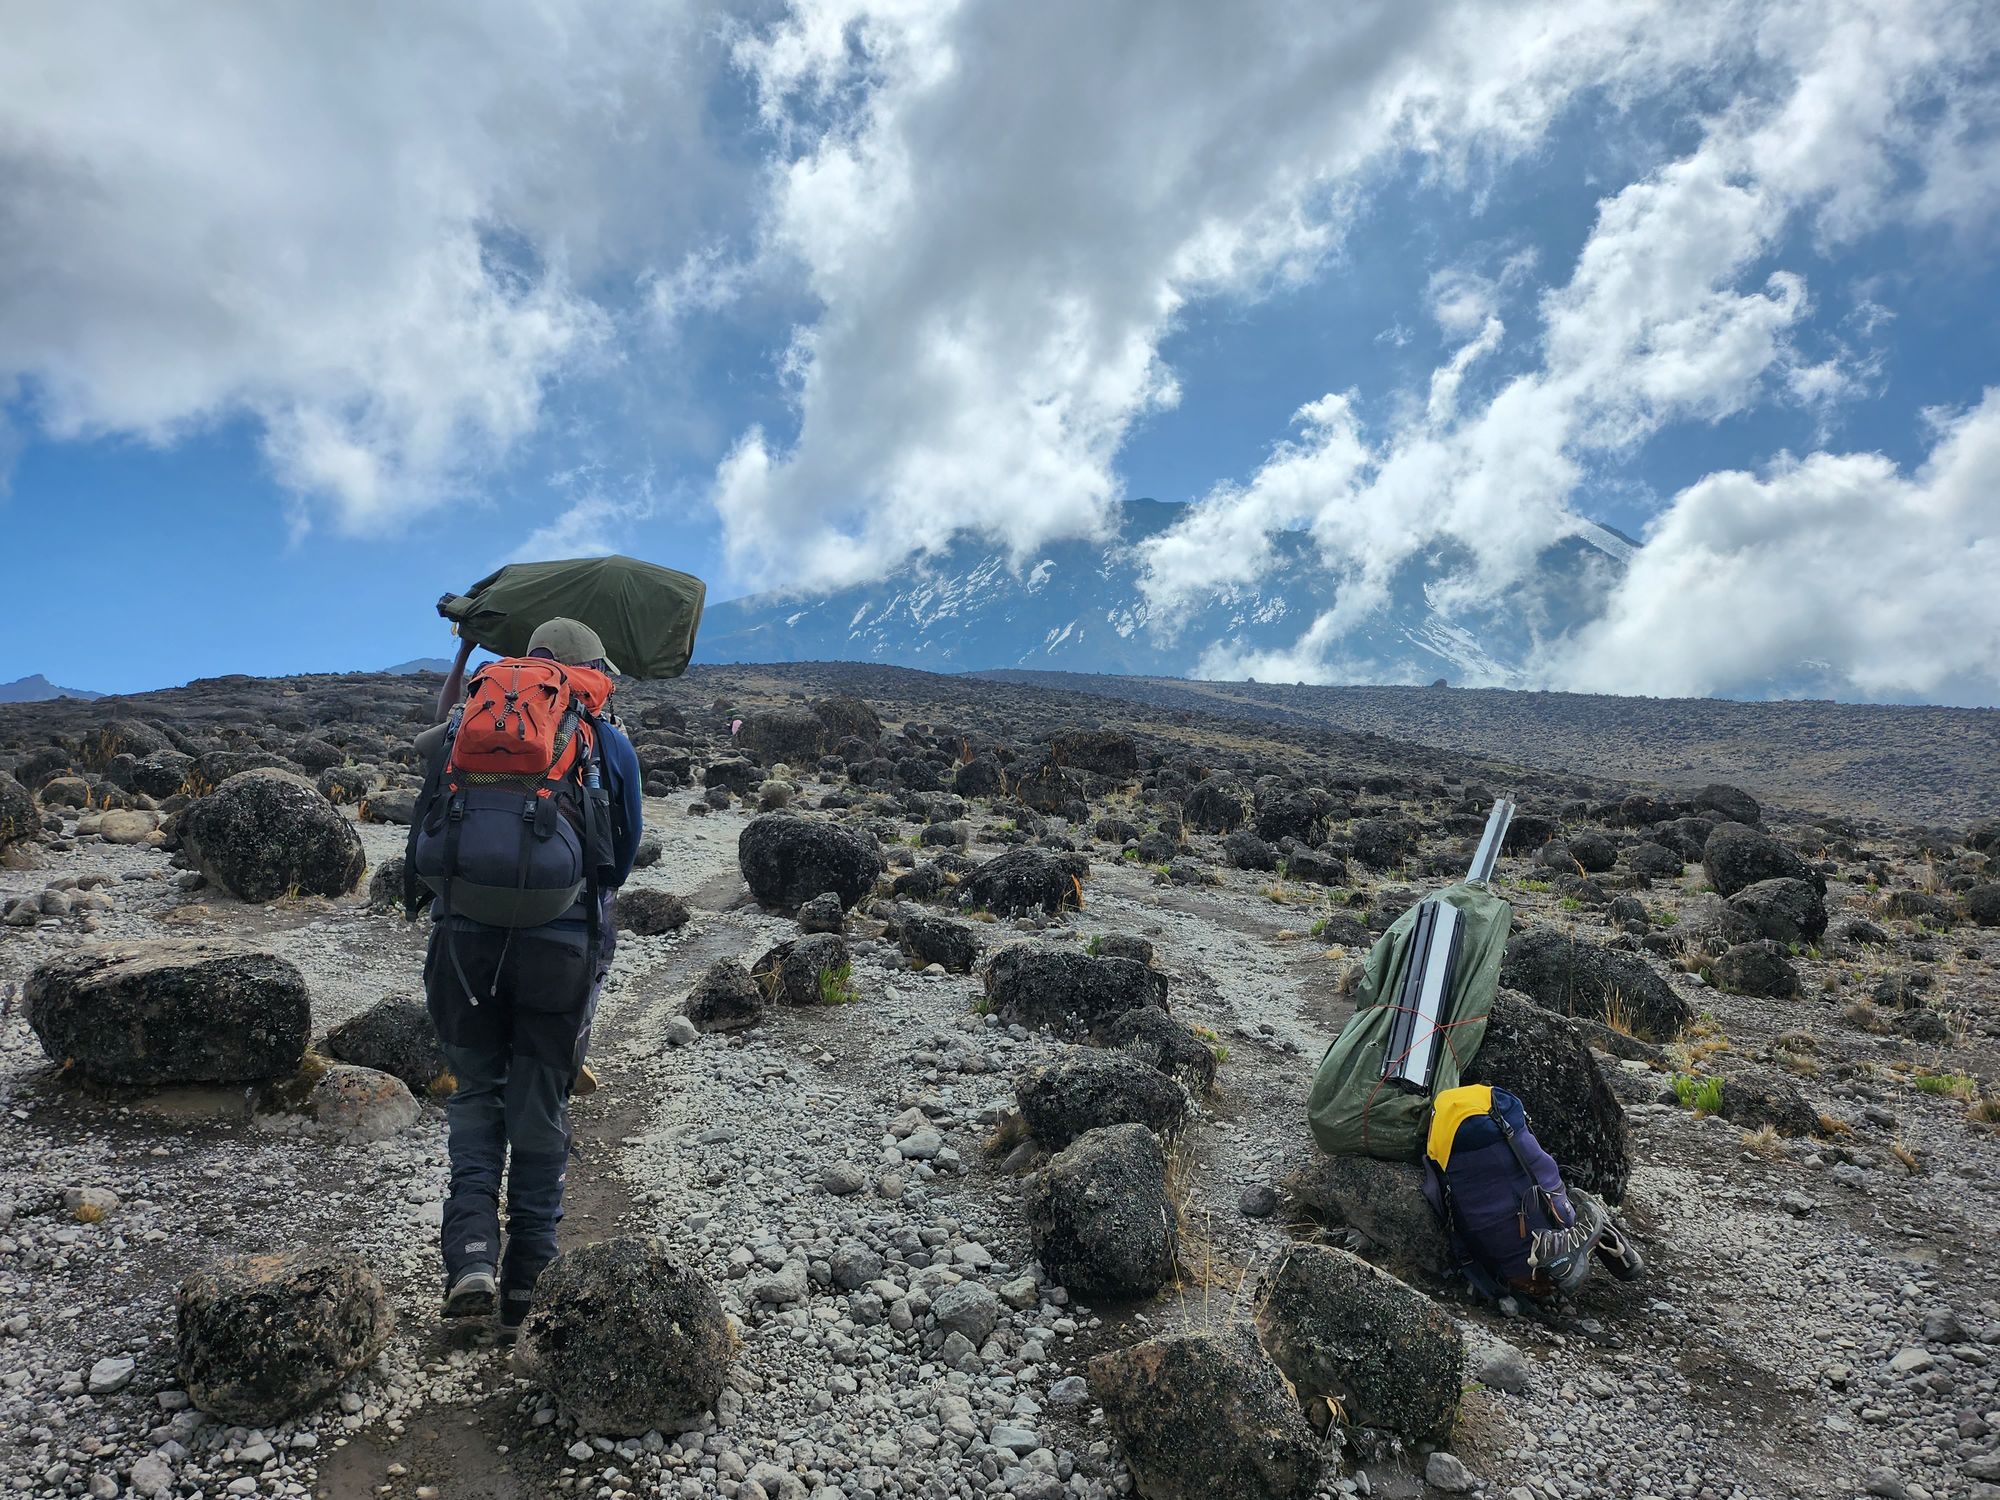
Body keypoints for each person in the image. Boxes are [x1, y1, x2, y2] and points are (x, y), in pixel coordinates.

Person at [411, 618, 643, 1335]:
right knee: (540, 1102)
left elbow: (429, 771)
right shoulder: (605, 739)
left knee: (477, 1093)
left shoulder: (468, 722)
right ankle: (527, 1288)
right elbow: (623, 853)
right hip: (560, 946)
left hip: (462, 944)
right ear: (585, 669)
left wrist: (462, 653)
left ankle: (473, 1254)